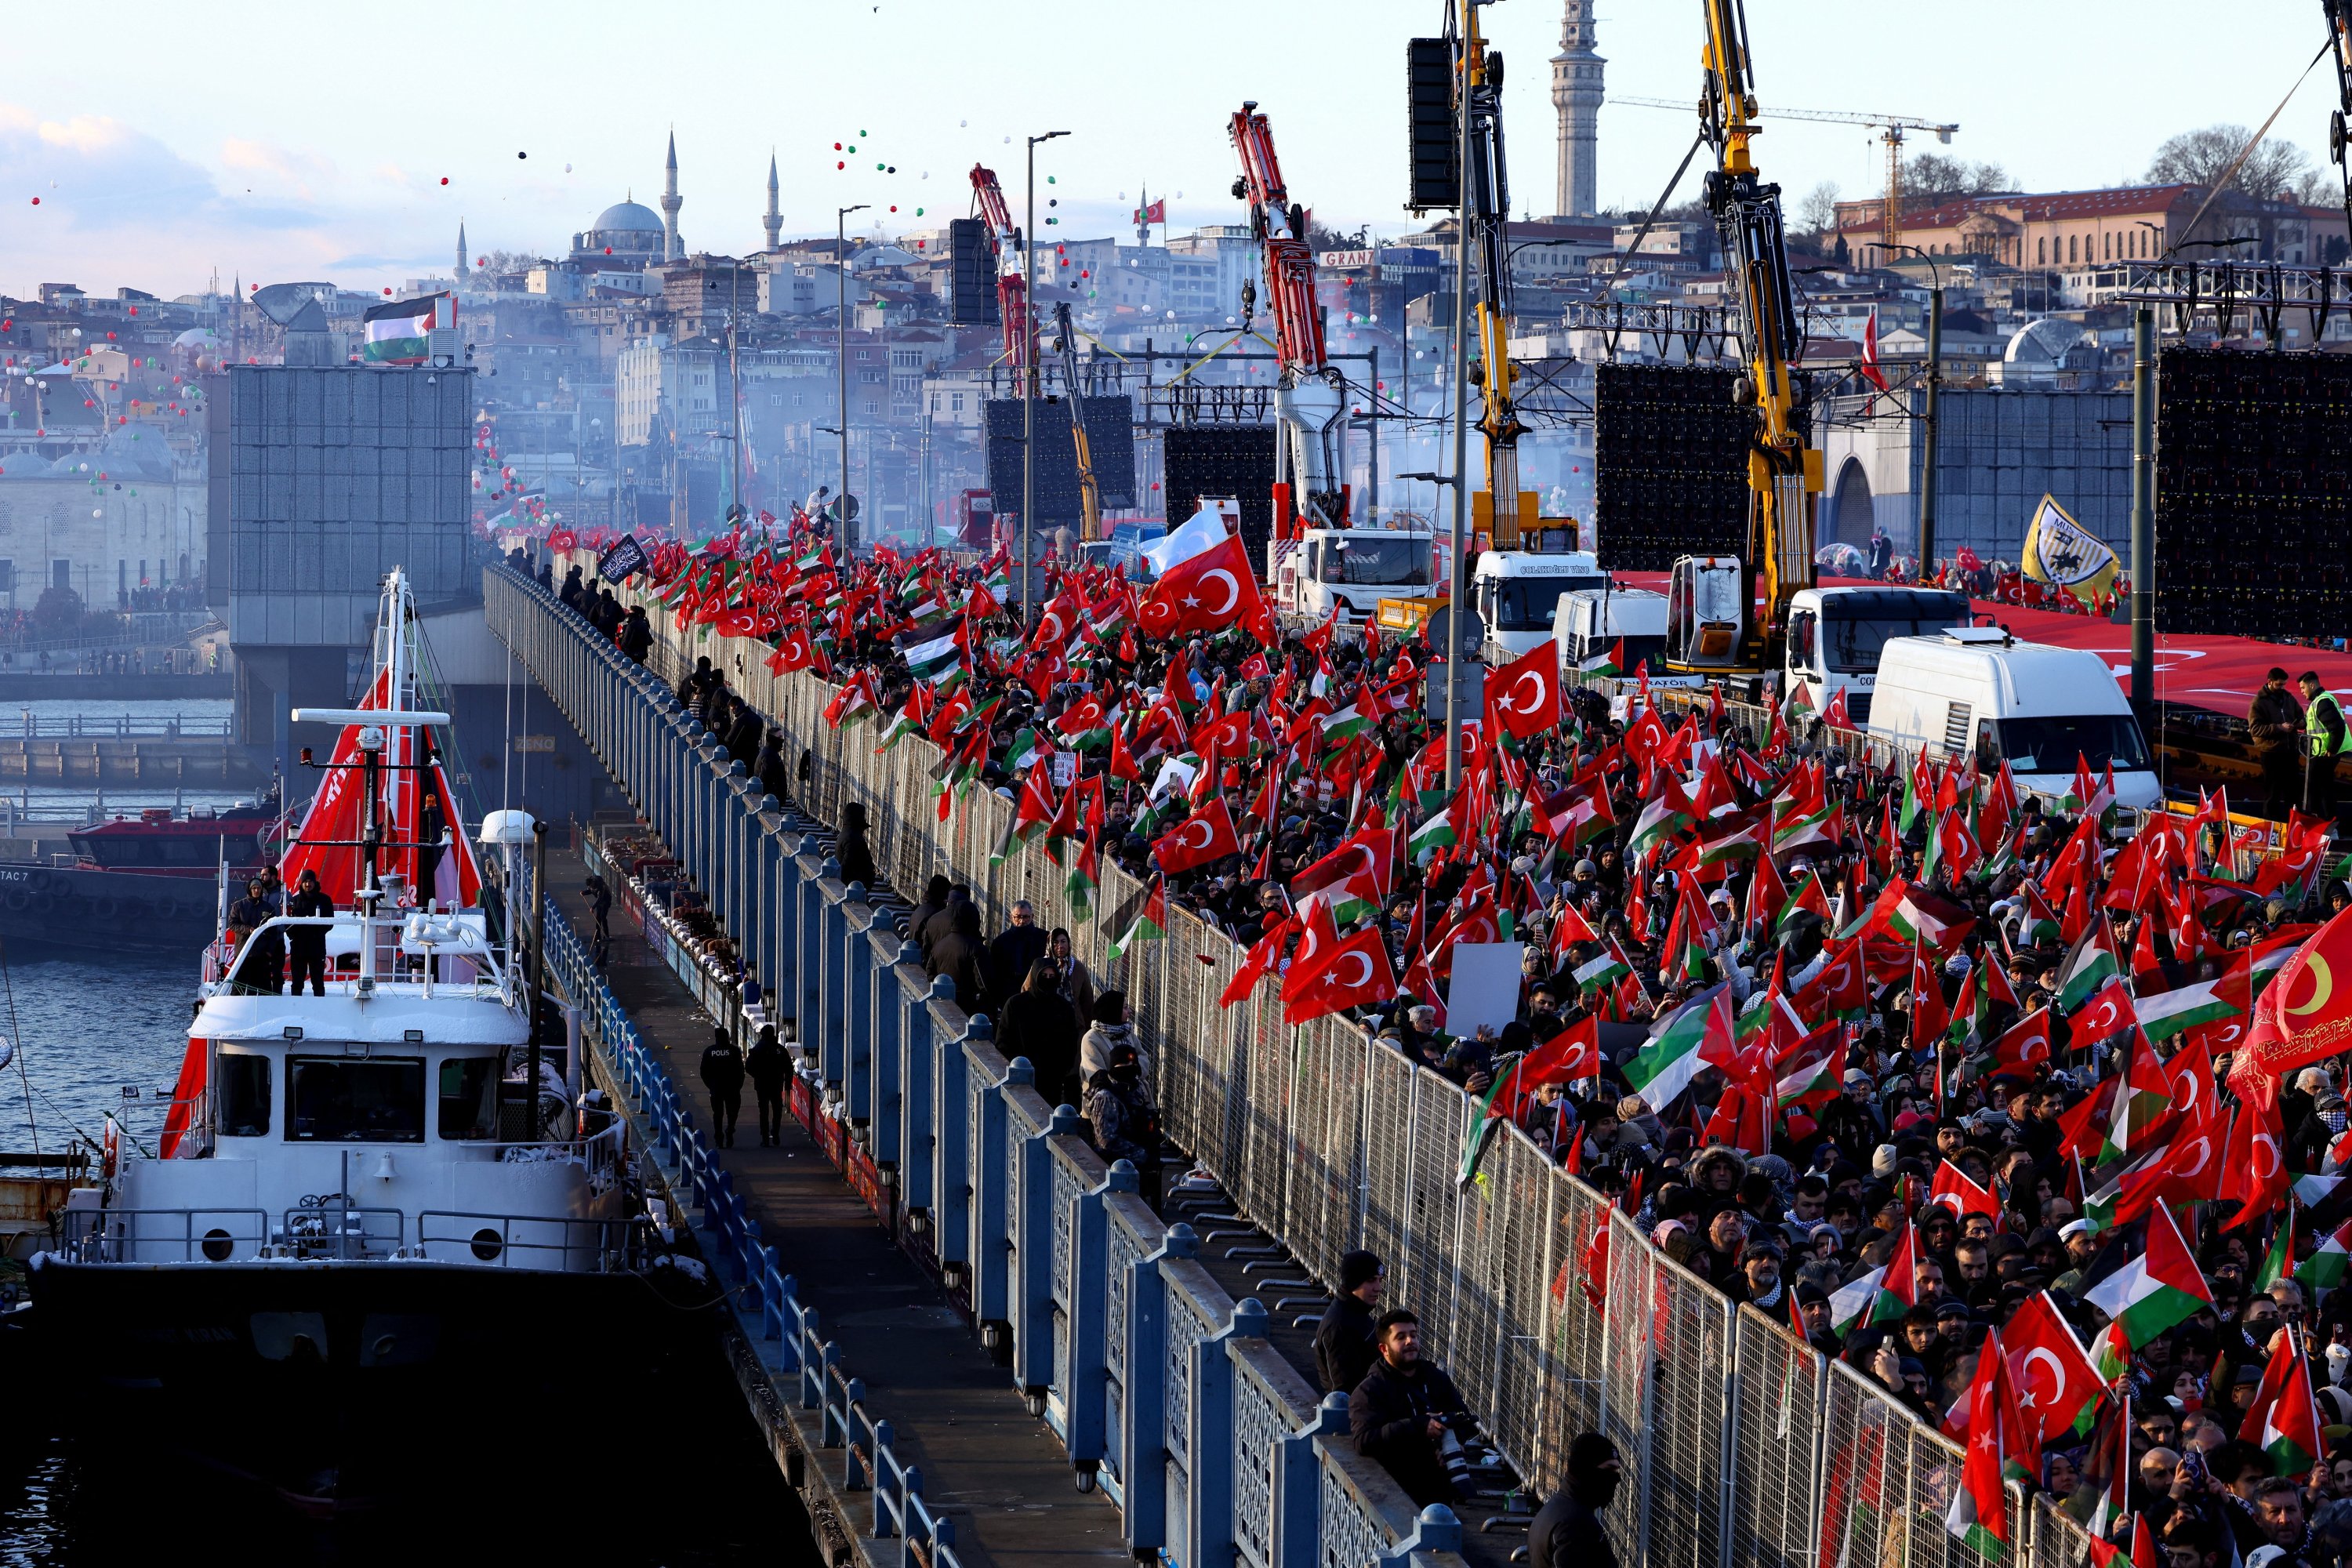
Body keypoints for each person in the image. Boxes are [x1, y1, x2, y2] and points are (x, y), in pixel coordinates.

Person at [1350, 1308, 1476, 1509]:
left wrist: (1452, 1442)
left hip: (1439, 1497)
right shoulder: (1369, 1391)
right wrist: (1419, 1426)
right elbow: (1364, 1441)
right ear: (1384, 1349)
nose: (1410, 1341)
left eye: (1413, 1335)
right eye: (1401, 1337)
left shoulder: (1436, 1378)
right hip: (1393, 1499)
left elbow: (1466, 1419)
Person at [1529, 1433, 1624, 1568]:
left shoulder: (1559, 1507)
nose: (1616, 1479)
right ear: (1586, 1468)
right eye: (1609, 1469)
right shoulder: (1576, 1524)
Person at [996, 956, 1081, 1105]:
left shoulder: (1063, 1007)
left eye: (1051, 976)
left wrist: (1061, 1070)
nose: (1047, 980)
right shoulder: (1016, 1005)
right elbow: (1003, 1041)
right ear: (1035, 977)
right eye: (1043, 976)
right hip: (1020, 1077)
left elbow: (1070, 1042)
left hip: (1052, 1080)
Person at [1314, 1250, 1385, 1396]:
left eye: (1380, 1280)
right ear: (1353, 1282)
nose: (1378, 1288)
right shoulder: (1339, 1326)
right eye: (1371, 1280)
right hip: (1357, 1413)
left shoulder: (1356, 1313)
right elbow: (1342, 1391)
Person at [2248, 668, 2306, 822]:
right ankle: (2271, 824)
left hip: (2290, 751)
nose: (2282, 688)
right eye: (2279, 685)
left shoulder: (2288, 698)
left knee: (2292, 792)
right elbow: (2255, 729)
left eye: (2284, 685)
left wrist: (2300, 723)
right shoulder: (2259, 702)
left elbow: (2301, 715)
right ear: (2270, 682)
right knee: (2272, 792)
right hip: (2271, 752)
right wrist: (2279, 728)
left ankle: (2293, 824)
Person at [925, 901, 989, 1014]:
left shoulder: (940, 945)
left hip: (943, 1006)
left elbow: (930, 974)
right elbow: (984, 984)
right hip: (967, 1008)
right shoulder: (976, 948)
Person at [985, 901, 1050, 1012]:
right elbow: (994, 974)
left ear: (1032, 917)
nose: (1022, 921)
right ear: (1011, 917)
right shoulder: (1001, 942)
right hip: (1009, 997)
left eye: (1026, 917)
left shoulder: (1044, 939)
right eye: (1018, 917)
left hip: (1037, 996)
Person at [226, 876, 283, 995]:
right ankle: (236, 1009)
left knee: (263, 988)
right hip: (243, 953)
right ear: (250, 890)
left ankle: (264, 1010)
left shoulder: (268, 908)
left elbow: (273, 931)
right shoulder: (238, 906)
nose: (256, 891)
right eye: (254, 888)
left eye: (259, 888)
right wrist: (248, 929)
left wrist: (269, 951)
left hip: (261, 955)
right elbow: (232, 924)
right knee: (239, 987)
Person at [2300, 670, 2345, 821]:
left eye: (2303, 688)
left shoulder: (2322, 702)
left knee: (2321, 788)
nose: (2302, 692)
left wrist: (2332, 750)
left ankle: (2325, 823)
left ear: (2312, 685)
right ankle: (2325, 822)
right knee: (2322, 787)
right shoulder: (2320, 700)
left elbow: (2337, 727)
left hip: (2325, 752)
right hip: (2322, 751)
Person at [285, 868, 335, 997]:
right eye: (305, 881)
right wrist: (294, 935)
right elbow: (286, 923)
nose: (308, 884)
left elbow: (330, 923)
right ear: (301, 883)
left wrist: (315, 932)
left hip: (317, 946)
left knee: (318, 982)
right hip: (298, 947)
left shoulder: (325, 900)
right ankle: (295, 1008)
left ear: (315, 882)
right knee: (297, 982)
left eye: (310, 881)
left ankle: (319, 1009)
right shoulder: (294, 901)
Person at [699, 1025, 746, 1149]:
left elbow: (703, 1072)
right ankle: (730, 1129)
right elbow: (741, 1071)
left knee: (717, 1114)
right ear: (727, 1037)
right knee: (733, 1113)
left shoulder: (709, 1051)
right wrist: (738, 1086)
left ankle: (718, 1138)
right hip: (733, 1089)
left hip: (716, 1089)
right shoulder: (734, 1051)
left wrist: (711, 1086)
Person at [746, 1023, 790, 1147]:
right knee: (777, 1111)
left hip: (762, 1085)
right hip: (776, 1085)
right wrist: (787, 1084)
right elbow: (789, 1068)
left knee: (763, 1112)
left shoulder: (758, 1048)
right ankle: (775, 1133)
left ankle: (765, 1137)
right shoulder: (780, 1050)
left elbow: (748, 1066)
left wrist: (758, 1075)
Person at [836, 801, 879, 890]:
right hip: (854, 890)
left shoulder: (845, 834)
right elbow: (846, 866)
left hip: (852, 888)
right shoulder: (852, 839)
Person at [584, 873, 612, 943]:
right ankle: (598, 935)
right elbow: (590, 891)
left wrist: (593, 907)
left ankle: (606, 935)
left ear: (593, 883)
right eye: (590, 887)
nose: (591, 887)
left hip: (606, 900)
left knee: (603, 917)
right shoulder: (591, 886)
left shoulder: (600, 886)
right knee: (598, 918)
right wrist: (584, 892)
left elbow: (599, 898)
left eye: (591, 886)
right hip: (599, 903)